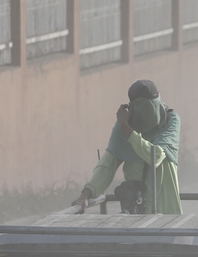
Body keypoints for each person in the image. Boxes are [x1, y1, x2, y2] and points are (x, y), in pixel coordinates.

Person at [73, 80, 182, 214]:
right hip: (137, 210)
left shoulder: (170, 120)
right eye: (144, 109)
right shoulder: (124, 126)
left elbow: (156, 156)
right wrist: (86, 193)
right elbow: (108, 164)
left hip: (166, 209)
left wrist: (128, 130)